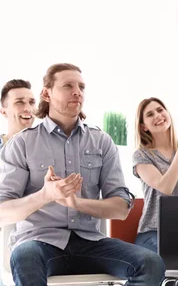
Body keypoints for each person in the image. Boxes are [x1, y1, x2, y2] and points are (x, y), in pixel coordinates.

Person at [0, 63, 165, 286]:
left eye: (81, 86)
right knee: (24, 257)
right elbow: (3, 212)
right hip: (40, 241)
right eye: (68, 85)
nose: (77, 91)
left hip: (91, 242)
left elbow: (120, 208)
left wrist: (77, 203)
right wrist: (45, 195)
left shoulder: (102, 141)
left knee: (151, 263)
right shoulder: (23, 143)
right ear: (46, 93)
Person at [132, 97, 178, 253]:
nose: (157, 115)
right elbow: (165, 187)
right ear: (143, 127)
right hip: (152, 232)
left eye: (160, 110)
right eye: (150, 114)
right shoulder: (142, 155)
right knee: (171, 254)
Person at [0, 79, 36, 146]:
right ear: (3, 112)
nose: (28, 109)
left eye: (32, 102)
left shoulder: (48, 145)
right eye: (19, 102)